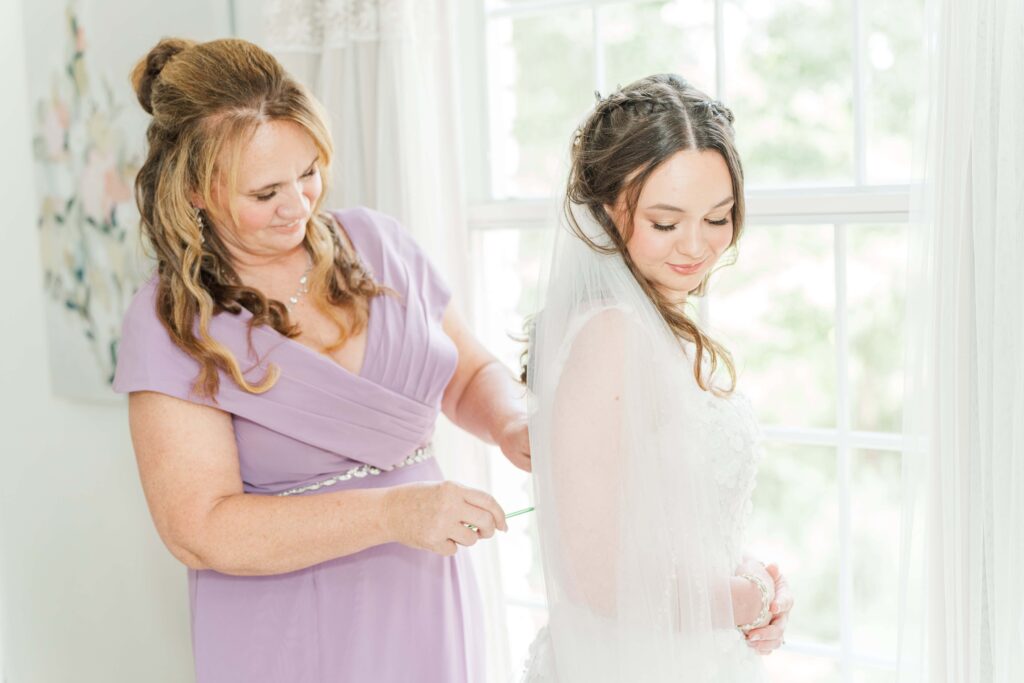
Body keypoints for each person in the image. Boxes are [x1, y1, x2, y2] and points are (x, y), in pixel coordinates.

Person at [113, 37, 529, 683]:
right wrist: (393, 513)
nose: (299, 206)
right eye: (265, 192)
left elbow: (469, 373)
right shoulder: (172, 320)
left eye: (308, 172)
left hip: (422, 591)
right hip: (287, 622)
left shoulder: (380, 243)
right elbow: (198, 529)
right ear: (194, 189)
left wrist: (511, 424)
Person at [522, 74, 794, 682]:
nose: (696, 246)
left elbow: (673, 525)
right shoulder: (612, 334)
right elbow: (598, 578)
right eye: (666, 224)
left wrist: (753, 583)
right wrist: (750, 600)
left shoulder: (651, 324)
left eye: (718, 217)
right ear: (607, 211)